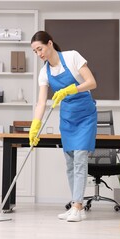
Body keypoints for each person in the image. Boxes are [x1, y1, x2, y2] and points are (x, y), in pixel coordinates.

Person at [29, 31, 97, 222]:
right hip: (67, 119)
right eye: (35, 52)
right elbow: (41, 102)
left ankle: (76, 206)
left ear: (50, 43)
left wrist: (70, 89)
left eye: (40, 49)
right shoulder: (44, 72)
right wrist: (35, 126)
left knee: (80, 160)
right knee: (69, 164)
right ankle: (79, 206)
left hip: (85, 115)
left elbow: (92, 82)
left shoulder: (72, 57)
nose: (39, 54)